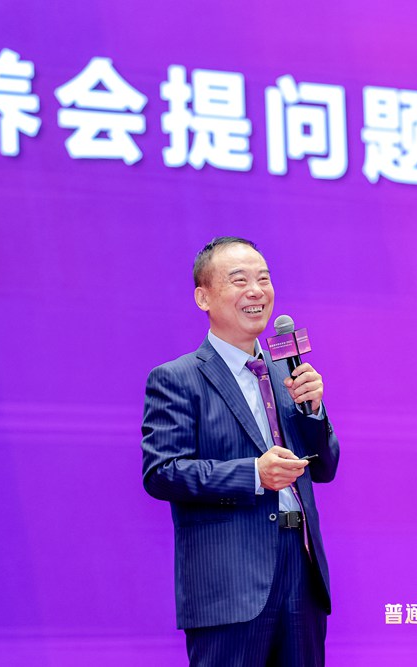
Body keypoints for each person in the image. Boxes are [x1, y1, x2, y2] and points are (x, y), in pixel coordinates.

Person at [141, 236, 340, 666]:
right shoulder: (177, 379)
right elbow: (162, 472)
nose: (256, 291)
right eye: (239, 280)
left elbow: (325, 469)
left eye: (263, 279)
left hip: (301, 570)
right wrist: (254, 474)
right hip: (229, 584)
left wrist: (314, 411)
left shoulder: (287, 374)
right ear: (203, 297)